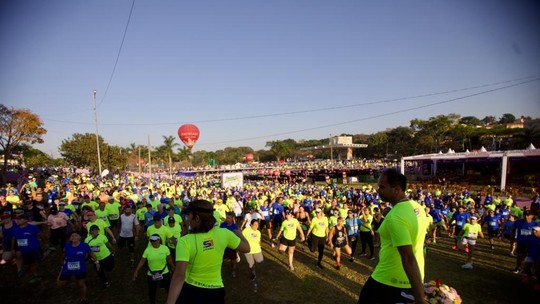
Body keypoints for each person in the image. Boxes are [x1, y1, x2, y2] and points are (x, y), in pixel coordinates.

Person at [358, 168, 428, 304]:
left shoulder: (395, 217)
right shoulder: (417, 207)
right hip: (411, 278)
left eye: (382, 187)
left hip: (388, 280)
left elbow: (407, 257)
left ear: (396, 189)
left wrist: (420, 299)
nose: (378, 190)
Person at [166, 199, 250, 304]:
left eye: (188, 216)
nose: (186, 220)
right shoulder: (224, 233)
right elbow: (247, 248)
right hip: (216, 292)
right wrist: (239, 233)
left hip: (191, 291)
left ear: (196, 218)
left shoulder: (184, 242)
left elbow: (179, 276)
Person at [133, 234, 176, 304]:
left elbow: (169, 259)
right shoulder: (147, 250)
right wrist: (136, 271)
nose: (153, 242)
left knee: (168, 288)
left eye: (154, 240)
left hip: (164, 272)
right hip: (151, 274)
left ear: (159, 240)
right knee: (152, 291)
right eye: (151, 241)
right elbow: (142, 261)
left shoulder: (165, 248)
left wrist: (173, 267)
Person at [57, 231, 97, 304]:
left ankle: (83, 298)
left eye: (76, 236)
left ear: (79, 237)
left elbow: (91, 254)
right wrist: (62, 262)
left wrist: (97, 262)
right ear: (70, 238)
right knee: (60, 284)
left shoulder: (84, 245)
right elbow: (63, 254)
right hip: (67, 268)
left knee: (81, 285)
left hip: (80, 269)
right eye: (72, 236)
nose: (74, 237)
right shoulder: (67, 245)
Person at [12, 214, 44, 283]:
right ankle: (35, 275)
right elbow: (13, 239)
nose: (18, 221)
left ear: (26, 220)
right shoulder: (15, 229)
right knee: (30, 263)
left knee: (37, 260)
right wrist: (13, 248)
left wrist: (45, 241)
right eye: (17, 219)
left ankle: (36, 273)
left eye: (20, 219)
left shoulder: (32, 228)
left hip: (34, 248)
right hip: (24, 250)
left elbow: (41, 234)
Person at [85, 224, 115, 290]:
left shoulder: (102, 237)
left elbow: (108, 244)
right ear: (90, 232)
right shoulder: (87, 240)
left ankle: (111, 261)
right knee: (100, 271)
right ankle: (105, 283)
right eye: (94, 230)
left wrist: (113, 250)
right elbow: (87, 250)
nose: (95, 232)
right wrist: (88, 257)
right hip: (96, 259)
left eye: (97, 230)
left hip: (106, 256)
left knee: (109, 269)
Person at [242, 219, 264, 291]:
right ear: (251, 225)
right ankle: (253, 274)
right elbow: (241, 238)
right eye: (255, 225)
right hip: (248, 251)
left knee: (260, 261)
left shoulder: (258, 232)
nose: (256, 226)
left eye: (257, 225)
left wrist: (260, 246)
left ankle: (254, 269)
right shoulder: (246, 231)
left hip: (257, 250)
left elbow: (259, 240)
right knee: (251, 264)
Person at [219, 212, 240, 278]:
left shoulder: (234, 226)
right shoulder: (222, 225)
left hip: (231, 247)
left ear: (232, 219)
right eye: (226, 217)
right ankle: (218, 272)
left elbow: (237, 236)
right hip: (223, 246)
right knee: (220, 260)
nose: (227, 219)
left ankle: (233, 270)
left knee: (233, 260)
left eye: (229, 218)